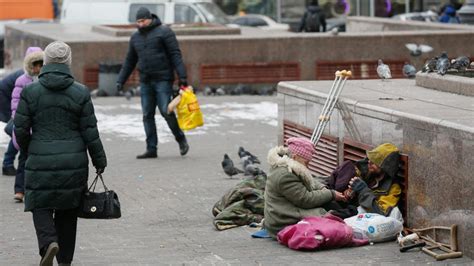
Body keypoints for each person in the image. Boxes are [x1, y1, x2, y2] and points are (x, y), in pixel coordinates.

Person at [14, 41, 107, 266]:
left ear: (45, 62)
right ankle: (64, 260)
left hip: (40, 157)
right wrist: (99, 159)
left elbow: (20, 128)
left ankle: (48, 243)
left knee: (39, 203)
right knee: (68, 210)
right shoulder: (81, 92)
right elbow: (90, 131)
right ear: (68, 62)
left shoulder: (30, 91)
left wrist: (29, 149)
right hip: (73, 160)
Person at [116, 6, 189, 159]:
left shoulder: (164, 32)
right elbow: (130, 61)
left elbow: (175, 54)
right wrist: (120, 80)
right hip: (146, 81)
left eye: (142, 21)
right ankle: (151, 148)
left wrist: (182, 76)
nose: (140, 24)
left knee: (165, 111)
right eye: (138, 22)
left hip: (163, 79)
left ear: (150, 18)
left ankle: (180, 138)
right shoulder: (135, 37)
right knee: (147, 115)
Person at [263, 137, 346, 238]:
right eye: (306, 163)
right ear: (295, 157)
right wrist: (331, 194)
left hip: (284, 213)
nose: (308, 166)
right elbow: (305, 200)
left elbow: (309, 180)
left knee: (330, 206)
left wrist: (323, 188)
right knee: (331, 215)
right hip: (282, 222)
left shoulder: (288, 166)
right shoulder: (285, 175)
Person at [10, 46, 44, 202]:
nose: (38, 68)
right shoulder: (22, 81)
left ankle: (36, 189)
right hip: (26, 127)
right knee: (24, 159)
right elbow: (16, 105)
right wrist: (20, 123)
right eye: (35, 64)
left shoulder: (45, 80)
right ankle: (19, 190)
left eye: (41, 64)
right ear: (30, 65)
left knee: (40, 161)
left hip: (41, 128)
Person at [340, 143, 402, 219]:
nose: (369, 163)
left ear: (384, 168)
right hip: (349, 208)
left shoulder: (393, 188)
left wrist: (363, 190)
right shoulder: (365, 171)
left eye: (374, 162)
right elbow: (348, 190)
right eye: (370, 159)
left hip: (363, 218)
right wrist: (349, 193)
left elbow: (380, 212)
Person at [0, 69, 23, 176]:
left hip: (8, 96)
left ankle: (7, 164)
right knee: (16, 131)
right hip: (4, 95)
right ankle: (7, 164)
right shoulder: (24, 77)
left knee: (16, 132)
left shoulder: (29, 75)